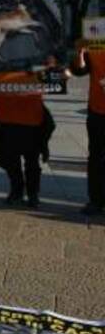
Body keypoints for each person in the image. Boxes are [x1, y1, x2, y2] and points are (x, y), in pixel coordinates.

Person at [0, 81, 53, 209]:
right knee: (12, 158)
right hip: (8, 110)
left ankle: (30, 194)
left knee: (31, 159)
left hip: (28, 111)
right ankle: (19, 191)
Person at [71, 45, 105, 216]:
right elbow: (79, 71)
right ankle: (96, 201)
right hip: (98, 111)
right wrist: (81, 55)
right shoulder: (95, 45)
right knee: (96, 158)